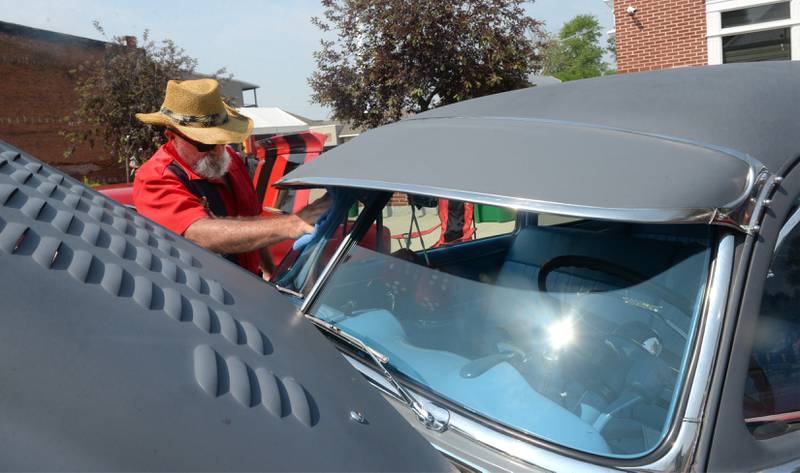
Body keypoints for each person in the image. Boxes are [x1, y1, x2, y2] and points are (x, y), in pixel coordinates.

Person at [132, 78, 328, 277]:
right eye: (205, 144)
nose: (218, 151)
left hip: (249, 286)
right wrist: (291, 224)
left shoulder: (231, 161)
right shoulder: (155, 178)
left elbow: (253, 223)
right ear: (172, 137)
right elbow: (200, 233)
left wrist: (269, 273)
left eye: (223, 140)